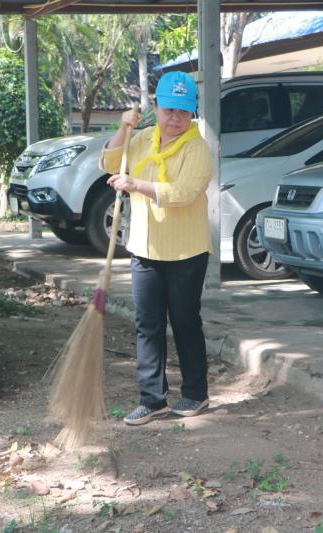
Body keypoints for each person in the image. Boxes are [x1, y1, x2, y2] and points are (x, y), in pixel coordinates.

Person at [100, 71, 213, 426]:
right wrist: (123, 128)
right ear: (156, 107)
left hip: (186, 251)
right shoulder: (142, 137)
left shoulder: (198, 148)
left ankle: (195, 394)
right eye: (169, 110)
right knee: (147, 324)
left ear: (192, 112)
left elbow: (183, 193)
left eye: (183, 111)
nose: (175, 118)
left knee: (184, 321)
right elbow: (107, 163)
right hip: (144, 248)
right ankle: (152, 399)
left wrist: (136, 183)